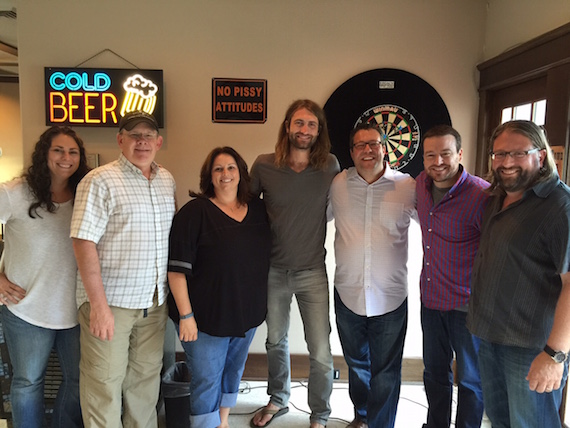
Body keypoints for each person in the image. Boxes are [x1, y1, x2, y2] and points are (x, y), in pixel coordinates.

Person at [70, 110, 176, 427]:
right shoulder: (99, 180)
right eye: (133, 135)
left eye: (147, 136)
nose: (141, 141)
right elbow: (83, 242)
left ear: (158, 142)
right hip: (110, 304)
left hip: (154, 303)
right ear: (120, 140)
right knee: (103, 385)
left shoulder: (166, 180)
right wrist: (98, 306)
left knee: (144, 384)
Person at [467, 120, 570, 427]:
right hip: (490, 337)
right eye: (499, 154)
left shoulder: (559, 208)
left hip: (531, 348)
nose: (506, 162)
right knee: (500, 420)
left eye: (517, 153)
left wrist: (554, 356)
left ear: (540, 156)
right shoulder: (496, 198)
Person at [250, 99, 340, 428]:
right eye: (299, 123)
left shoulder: (329, 166)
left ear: (319, 130)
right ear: (287, 125)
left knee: (319, 349)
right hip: (273, 270)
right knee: (275, 340)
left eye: (311, 124)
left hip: (312, 270)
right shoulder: (263, 165)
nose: (304, 130)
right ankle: (278, 399)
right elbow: (245, 211)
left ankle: (320, 413)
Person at [168, 146, 271, 428]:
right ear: (209, 177)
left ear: (241, 174)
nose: (225, 174)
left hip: (245, 317)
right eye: (218, 169)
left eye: (231, 168)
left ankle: (222, 423)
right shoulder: (194, 213)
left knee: (232, 373)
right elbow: (176, 271)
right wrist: (186, 317)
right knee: (206, 381)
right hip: (204, 320)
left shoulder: (259, 209)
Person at [328, 123, 416, 428]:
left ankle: (381, 424)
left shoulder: (408, 187)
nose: (367, 150)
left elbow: (435, 224)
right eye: (360, 145)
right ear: (351, 152)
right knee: (357, 364)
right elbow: (311, 216)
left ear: (384, 148)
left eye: (373, 144)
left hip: (390, 297)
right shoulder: (337, 184)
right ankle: (362, 415)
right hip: (348, 293)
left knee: (387, 370)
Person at [0, 126, 89, 428]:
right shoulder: (15, 192)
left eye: (73, 152)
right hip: (26, 309)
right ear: (44, 154)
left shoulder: (86, 195)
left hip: (76, 311)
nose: (66, 158)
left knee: (78, 381)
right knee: (27, 383)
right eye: (58, 150)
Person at [416, 125, 488, 428]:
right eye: (430, 155)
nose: (438, 162)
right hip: (431, 301)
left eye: (445, 154)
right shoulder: (420, 184)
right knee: (434, 373)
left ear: (460, 154)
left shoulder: (482, 195)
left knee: (471, 379)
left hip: (468, 306)